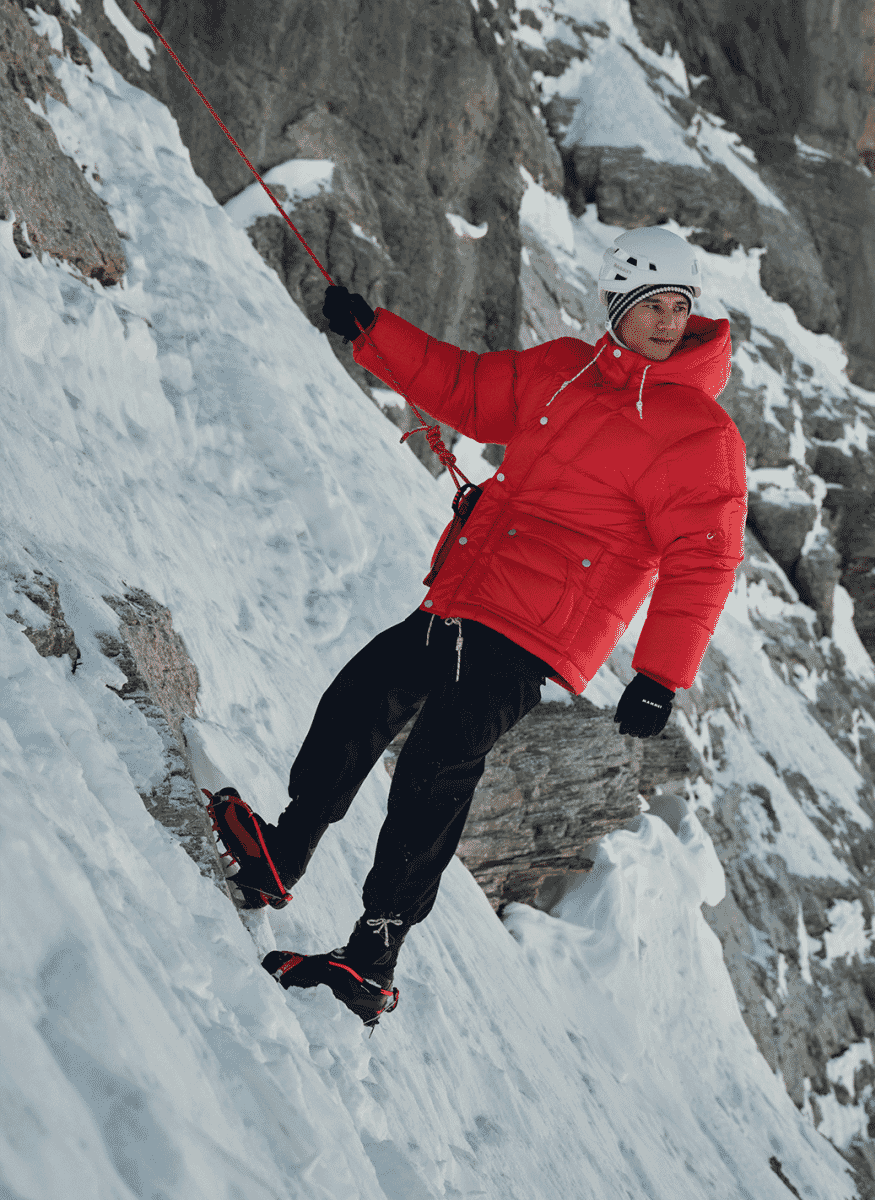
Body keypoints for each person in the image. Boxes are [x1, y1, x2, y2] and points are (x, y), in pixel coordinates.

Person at [207, 226, 747, 1027]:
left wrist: (659, 676)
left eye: (680, 305)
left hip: (534, 634)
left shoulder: (698, 432)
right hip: (464, 593)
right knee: (356, 703)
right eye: (651, 304)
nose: (669, 321)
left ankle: (371, 957)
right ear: (615, 304)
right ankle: (282, 853)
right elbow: (464, 389)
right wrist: (373, 333)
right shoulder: (562, 369)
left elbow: (702, 559)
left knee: (433, 768)